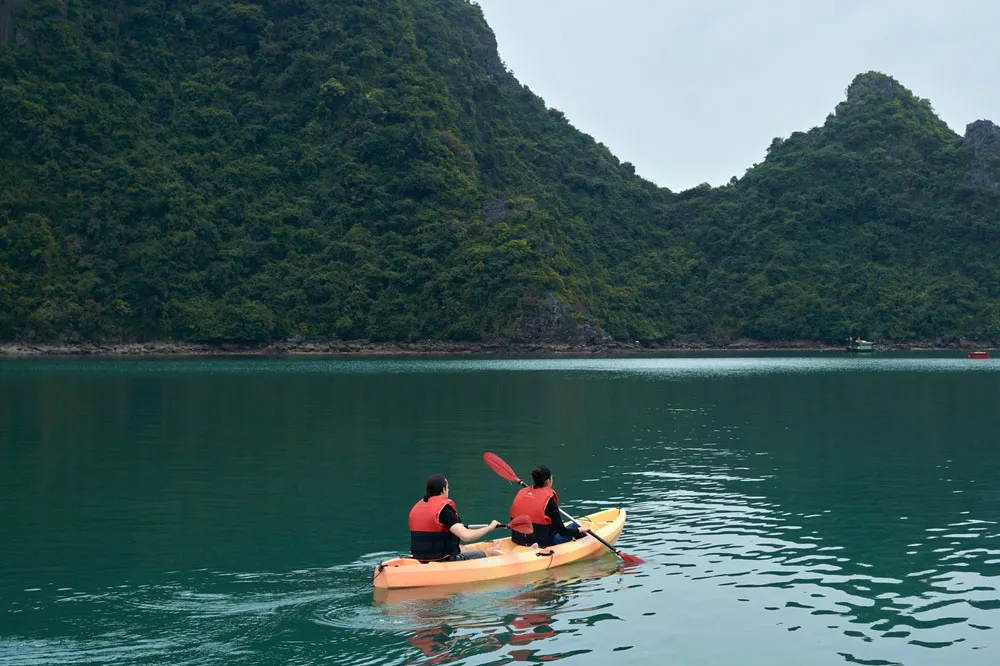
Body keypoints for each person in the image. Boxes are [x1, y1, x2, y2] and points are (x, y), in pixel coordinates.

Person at [409, 474, 502, 561]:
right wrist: (490, 528)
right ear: (443, 489)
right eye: (448, 487)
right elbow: (466, 536)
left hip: (419, 558)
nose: (448, 490)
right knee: (490, 553)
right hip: (442, 561)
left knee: (460, 547)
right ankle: (490, 551)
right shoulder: (444, 510)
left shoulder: (416, 508)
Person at [509, 466, 590, 548]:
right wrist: (581, 529)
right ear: (548, 481)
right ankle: (589, 545)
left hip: (519, 540)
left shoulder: (523, 494)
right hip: (544, 544)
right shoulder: (549, 500)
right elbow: (563, 532)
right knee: (575, 525)